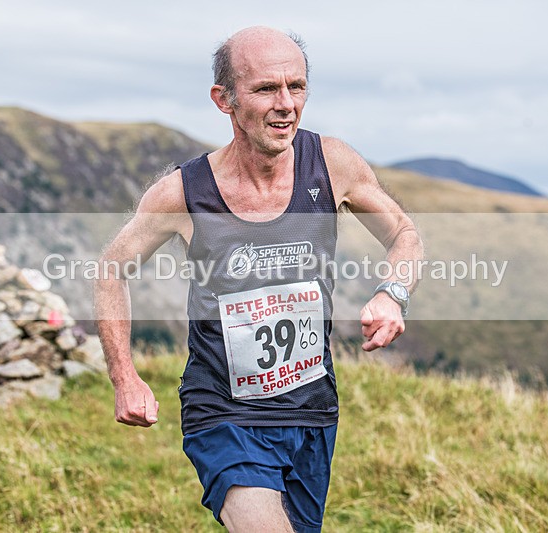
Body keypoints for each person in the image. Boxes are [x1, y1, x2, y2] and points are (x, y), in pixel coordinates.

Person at [94, 26, 424, 533]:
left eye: (297, 86)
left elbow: (403, 232)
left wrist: (392, 293)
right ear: (223, 99)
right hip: (223, 413)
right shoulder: (183, 193)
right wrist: (125, 377)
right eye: (267, 89)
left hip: (312, 411)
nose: (286, 104)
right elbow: (111, 270)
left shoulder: (331, 164)